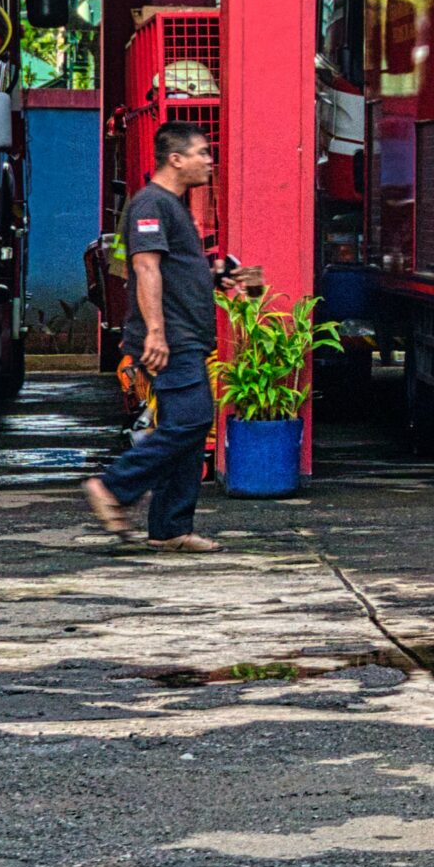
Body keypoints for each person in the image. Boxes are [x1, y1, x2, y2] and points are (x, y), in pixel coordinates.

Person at [82, 123, 257, 551]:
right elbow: (145, 268)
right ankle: (113, 487)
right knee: (190, 420)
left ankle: (170, 529)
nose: (208, 160)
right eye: (201, 153)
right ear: (175, 159)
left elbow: (174, 271)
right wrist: (155, 334)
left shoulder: (173, 207)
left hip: (185, 335)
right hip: (169, 338)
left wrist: (217, 275)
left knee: (191, 429)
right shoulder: (151, 204)